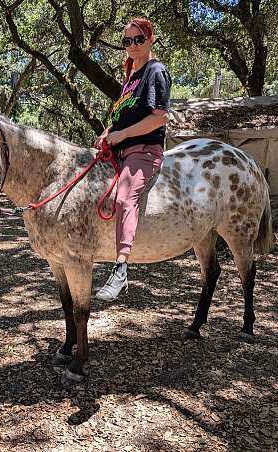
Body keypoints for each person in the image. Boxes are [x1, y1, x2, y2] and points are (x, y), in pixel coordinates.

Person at [95, 17, 172, 301]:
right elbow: (119, 118)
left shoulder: (156, 72)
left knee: (124, 199)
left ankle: (120, 270)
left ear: (150, 40)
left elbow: (159, 118)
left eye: (138, 39)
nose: (132, 46)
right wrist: (107, 134)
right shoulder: (130, 78)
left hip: (144, 150)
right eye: (127, 41)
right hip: (120, 150)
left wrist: (121, 134)